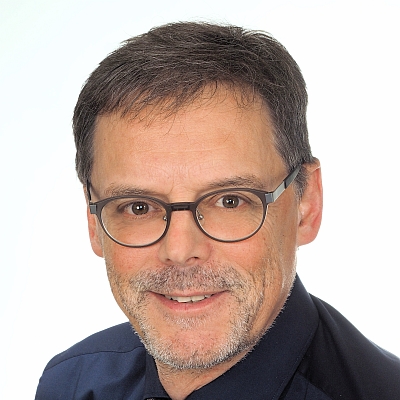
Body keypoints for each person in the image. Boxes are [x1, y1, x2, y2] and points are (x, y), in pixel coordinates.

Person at [35, 22, 400, 400]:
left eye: (230, 201)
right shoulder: (72, 384)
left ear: (306, 205)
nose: (179, 250)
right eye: (138, 207)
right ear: (93, 222)